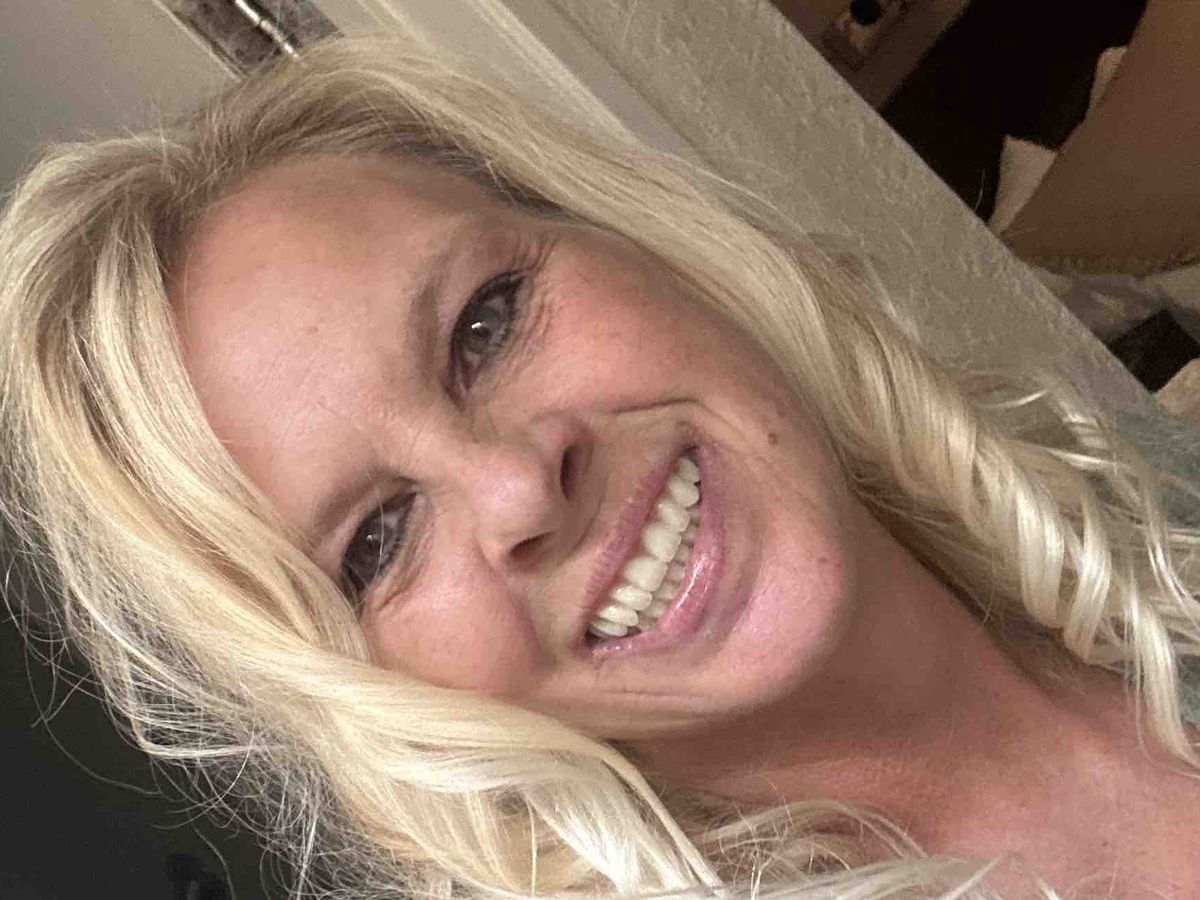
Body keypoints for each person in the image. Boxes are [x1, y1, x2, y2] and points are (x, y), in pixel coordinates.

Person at [2, 36, 1199, 900]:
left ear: (634, 236)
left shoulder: (1159, 484)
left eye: (484, 326)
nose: (518, 488)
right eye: (374, 543)